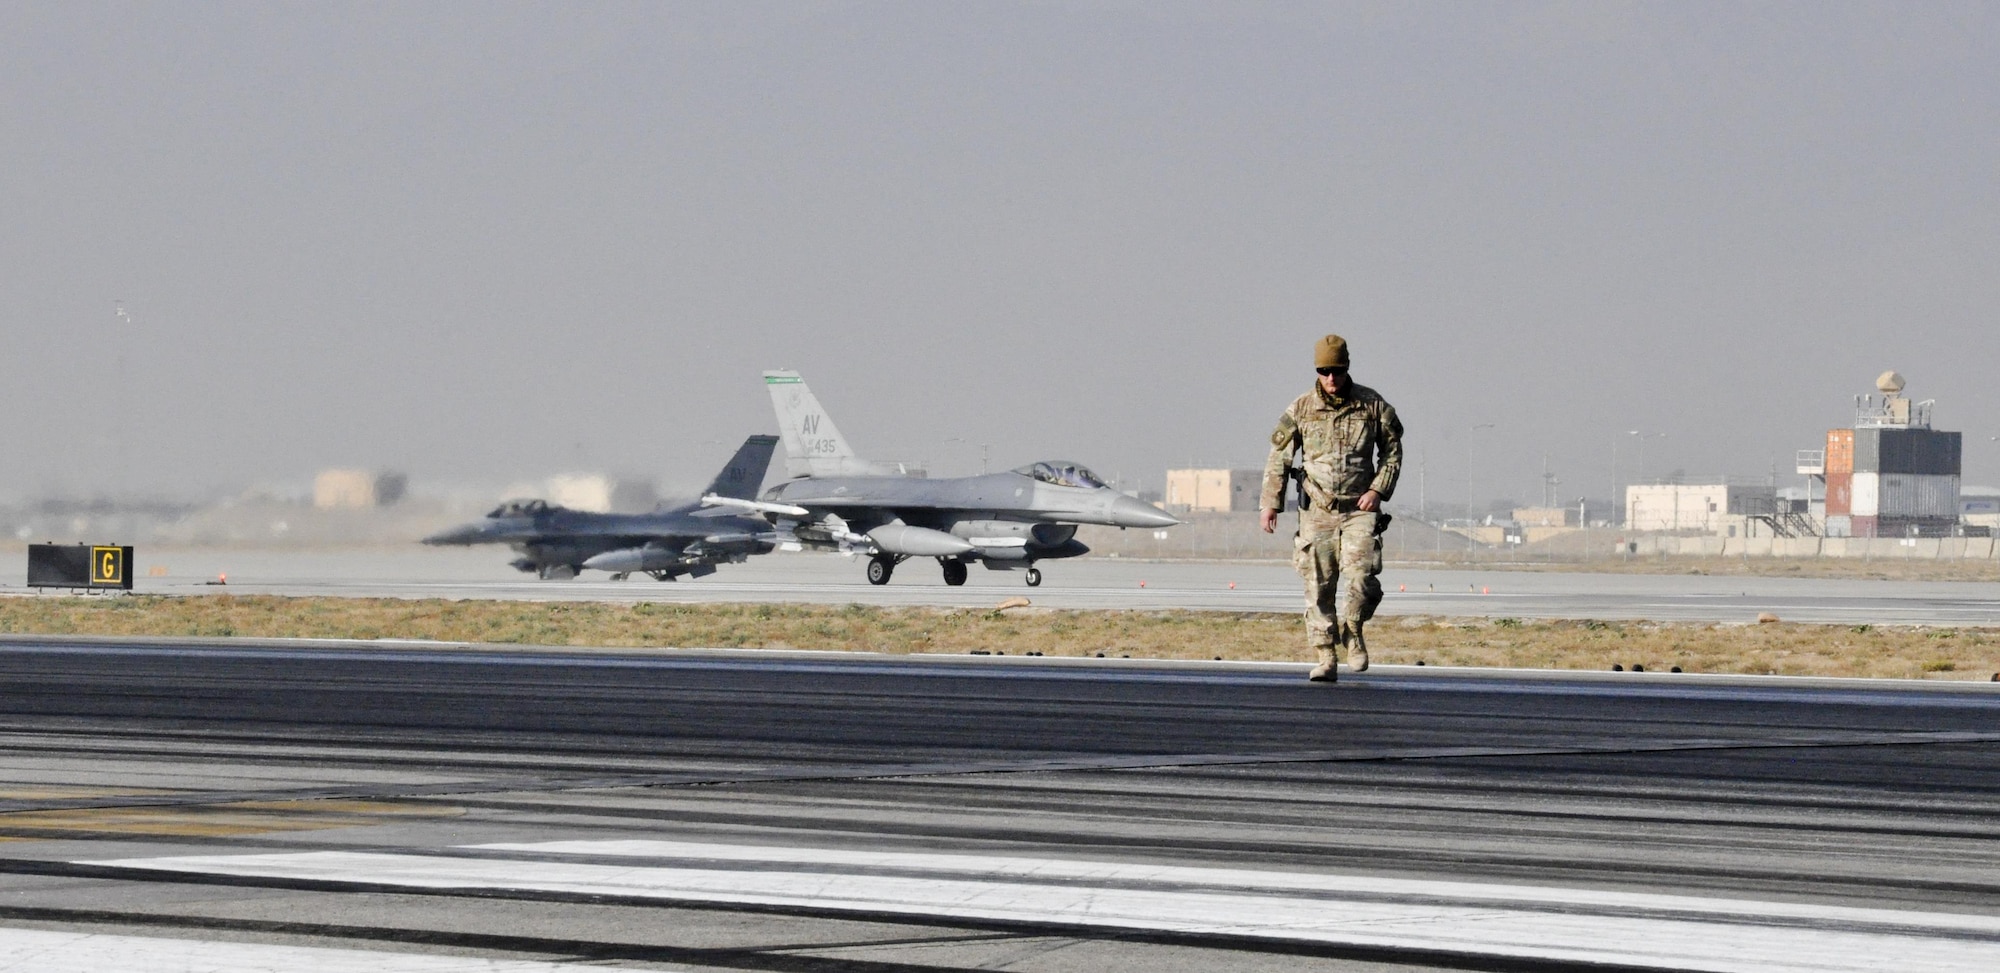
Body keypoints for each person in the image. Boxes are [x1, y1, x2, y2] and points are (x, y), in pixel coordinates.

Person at [1259, 334, 1404, 682]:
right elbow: (1279, 457)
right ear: (1317, 370)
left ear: (1347, 368)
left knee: (1363, 578)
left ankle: (1353, 628)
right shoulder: (1301, 408)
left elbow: (1393, 452)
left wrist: (1378, 490)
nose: (1331, 378)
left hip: (1359, 510)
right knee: (1318, 585)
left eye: (1336, 371)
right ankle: (1326, 656)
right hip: (1318, 511)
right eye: (1324, 371)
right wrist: (1270, 504)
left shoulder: (1372, 406)